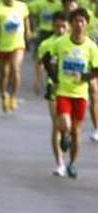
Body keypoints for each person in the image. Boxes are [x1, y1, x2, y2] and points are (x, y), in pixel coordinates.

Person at [43, 7, 98, 179]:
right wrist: (55, 78)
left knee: (77, 131)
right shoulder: (60, 43)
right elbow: (47, 59)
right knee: (65, 125)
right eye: (76, 21)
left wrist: (84, 76)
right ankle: (64, 135)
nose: (79, 24)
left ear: (86, 24)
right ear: (71, 24)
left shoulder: (91, 47)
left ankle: (72, 164)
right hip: (63, 92)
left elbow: (96, 70)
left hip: (80, 94)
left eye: (82, 21)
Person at [0, 0, 31, 112]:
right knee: (4, 75)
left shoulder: (22, 6)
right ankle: (4, 96)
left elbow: (26, 19)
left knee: (15, 69)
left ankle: (14, 96)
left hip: (18, 44)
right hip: (3, 46)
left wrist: (28, 31)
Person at [37, 11, 70, 176]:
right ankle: (60, 163)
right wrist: (38, 81)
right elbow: (40, 64)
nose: (61, 29)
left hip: (73, 90)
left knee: (68, 126)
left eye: (64, 26)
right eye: (57, 26)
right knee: (56, 125)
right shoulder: (46, 44)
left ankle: (67, 134)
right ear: (52, 26)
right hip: (54, 88)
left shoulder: (75, 43)